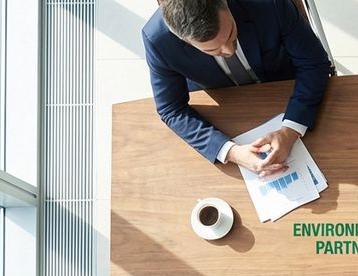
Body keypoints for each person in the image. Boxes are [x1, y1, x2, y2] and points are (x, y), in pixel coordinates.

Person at [142, 0, 332, 174]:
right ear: (182, 39)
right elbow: (171, 109)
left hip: (286, 89)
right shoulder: (157, 40)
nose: (229, 50)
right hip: (226, 106)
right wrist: (231, 152)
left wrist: (290, 130)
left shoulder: (268, 4)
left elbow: (314, 63)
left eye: (231, 34)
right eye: (212, 50)